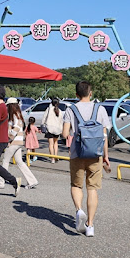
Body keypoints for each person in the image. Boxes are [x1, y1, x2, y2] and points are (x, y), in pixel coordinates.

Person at [62, 81, 110, 237]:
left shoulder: (71, 109)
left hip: (77, 153)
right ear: (91, 93)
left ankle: (79, 210)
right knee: (92, 188)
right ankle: (90, 225)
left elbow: (64, 134)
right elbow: (104, 135)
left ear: (76, 94)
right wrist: (106, 156)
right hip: (96, 154)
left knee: (76, 185)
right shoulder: (100, 109)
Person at [0, 98, 39, 190]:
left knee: (5, 161)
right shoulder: (18, 114)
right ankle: (32, 181)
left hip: (13, 142)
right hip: (19, 142)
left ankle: (1, 182)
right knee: (19, 162)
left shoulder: (14, 115)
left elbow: (16, 127)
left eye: (8, 106)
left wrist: (8, 138)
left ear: (10, 106)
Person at [42, 98, 64, 163]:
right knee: (56, 143)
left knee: (51, 144)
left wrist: (42, 125)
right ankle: (56, 156)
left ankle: (52, 159)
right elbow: (61, 121)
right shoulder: (59, 111)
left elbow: (44, 118)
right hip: (57, 129)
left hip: (49, 128)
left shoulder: (48, 109)